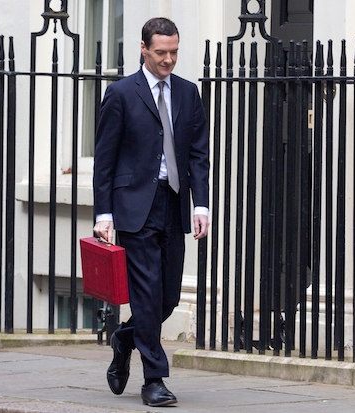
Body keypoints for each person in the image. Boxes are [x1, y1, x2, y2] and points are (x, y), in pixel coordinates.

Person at [92, 17, 210, 407]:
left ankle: (124, 339)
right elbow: (105, 160)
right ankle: (154, 379)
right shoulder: (121, 93)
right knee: (146, 294)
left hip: (172, 202)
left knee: (168, 296)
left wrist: (201, 203)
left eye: (174, 52)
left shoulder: (188, 93)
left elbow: (198, 155)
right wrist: (104, 214)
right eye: (161, 52)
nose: (168, 60)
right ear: (143, 49)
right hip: (134, 205)